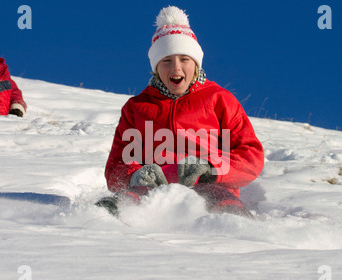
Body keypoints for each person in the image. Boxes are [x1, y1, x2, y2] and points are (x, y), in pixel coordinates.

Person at [98, 6, 264, 218]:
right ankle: (102, 221)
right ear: (156, 67)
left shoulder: (219, 99)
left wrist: (210, 168)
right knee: (130, 198)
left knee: (222, 202)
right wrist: (135, 175)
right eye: (166, 60)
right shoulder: (136, 108)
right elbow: (116, 166)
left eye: (184, 59)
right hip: (154, 188)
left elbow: (251, 156)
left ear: (195, 64)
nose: (176, 68)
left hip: (209, 185)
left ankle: (237, 229)